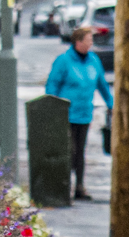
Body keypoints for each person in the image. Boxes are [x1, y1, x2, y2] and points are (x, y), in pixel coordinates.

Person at [42, 22, 112, 200]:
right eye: (88, 40)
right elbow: (53, 84)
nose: (91, 43)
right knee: (69, 150)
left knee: (80, 151)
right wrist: (53, 105)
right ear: (77, 42)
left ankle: (79, 186)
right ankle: (64, 185)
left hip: (84, 113)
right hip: (65, 113)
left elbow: (102, 84)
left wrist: (111, 103)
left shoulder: (93, 60)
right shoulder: (64, 61)